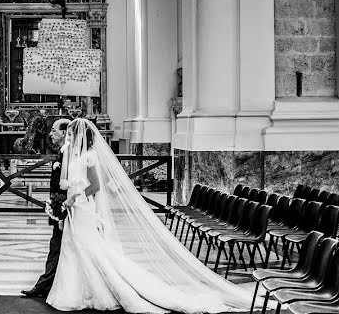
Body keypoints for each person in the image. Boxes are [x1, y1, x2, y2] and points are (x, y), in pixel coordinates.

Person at [46, 118, 251, 313]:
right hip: (75, 209)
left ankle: (96, 292)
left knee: (88, 248)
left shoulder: (88, 156)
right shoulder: (72, 155)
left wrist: (75, 199)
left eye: (72, 134)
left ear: (81, 135)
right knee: (74, 248)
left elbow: (96, 186)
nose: (69, 137)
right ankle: (77, 291)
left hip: (82, 208)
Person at [21, 117, 71, 298]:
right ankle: (49, 285)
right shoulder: (64, 151)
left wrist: (62, 211)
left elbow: (71, 184)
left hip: (66, 210)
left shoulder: (69, 153)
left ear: (65, 133)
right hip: (62, 207)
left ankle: (44, 286)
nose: (50, 133)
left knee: (56, 247)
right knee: (57, 247)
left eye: (54, 130)